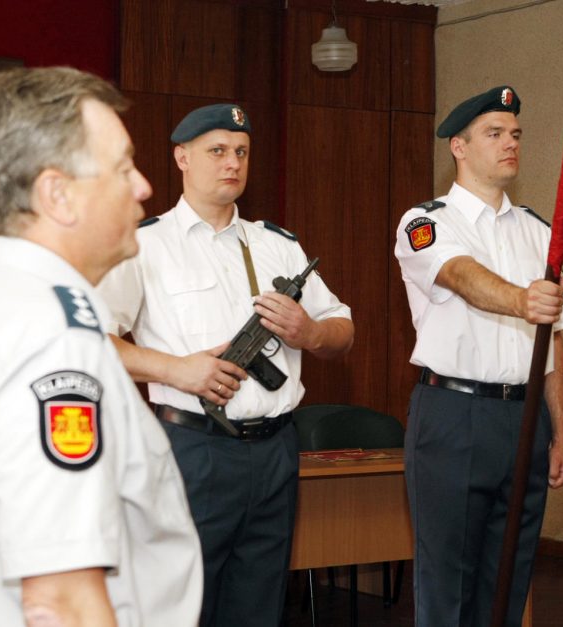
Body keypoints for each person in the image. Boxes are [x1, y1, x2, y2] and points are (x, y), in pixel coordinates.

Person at [0, 66, 203, 626]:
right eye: (121, 168)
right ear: (58, 195)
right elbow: (60, 599)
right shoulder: (49, 336)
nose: (143, 185)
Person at [97, 103, 354, 627]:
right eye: (217, 151)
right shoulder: (145, 245)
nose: (232, 162)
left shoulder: (278, 245)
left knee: (259, 605)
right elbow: (90, 341)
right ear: (181, 157)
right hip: (194, 449)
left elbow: (343, 329)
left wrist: (311, 332)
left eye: (241, 152)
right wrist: (176, 370)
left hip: (277, 449)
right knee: (182, 604)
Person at [394, 85, 563, 627]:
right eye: (494, 134)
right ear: (459, 145)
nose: (510, 144)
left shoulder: (539, 232)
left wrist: (560, 433)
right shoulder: (426, 222)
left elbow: (555, 344)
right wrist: (522, 298)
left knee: (508, 578)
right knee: (448, 579)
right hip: (454, 415)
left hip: (525, 417)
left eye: (516, 135)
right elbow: (462, 278)